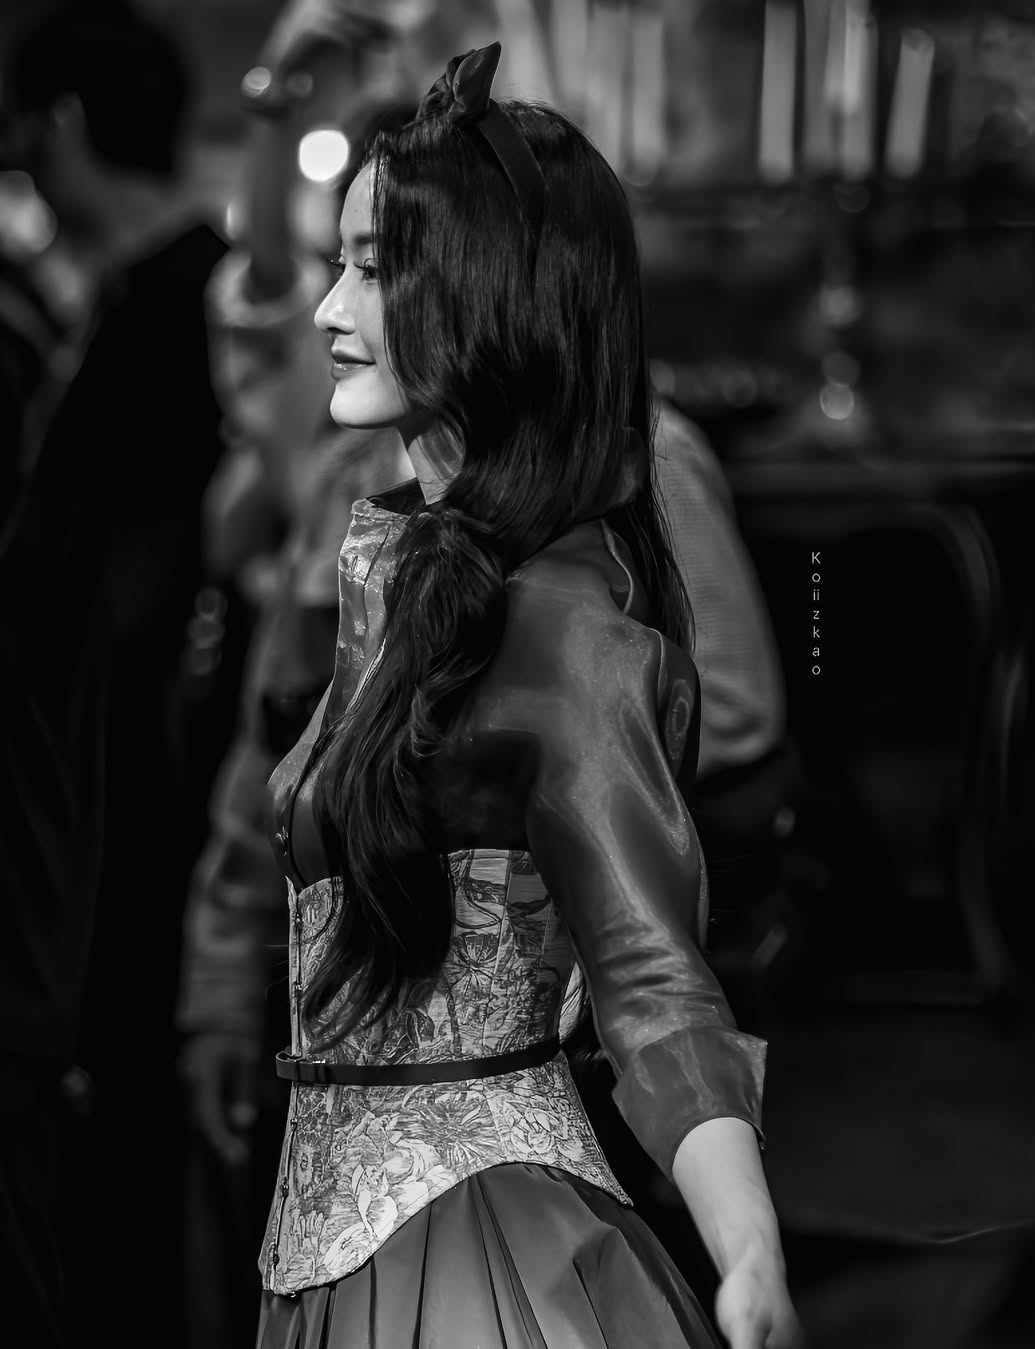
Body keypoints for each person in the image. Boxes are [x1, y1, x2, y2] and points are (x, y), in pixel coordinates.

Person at [243, 41, 800, 1348]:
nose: (329, 307)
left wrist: (749, 1244)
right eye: (340, 262)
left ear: (484, 295)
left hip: (483, 1250)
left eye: (373, 268)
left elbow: (652, 979)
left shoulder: (564, 628)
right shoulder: (397, 575)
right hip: (340, 1250)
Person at [0, 4, 230, 1342]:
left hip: (129, 826)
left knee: (122, 1192)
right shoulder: (147, 301)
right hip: (109, 817)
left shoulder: (180, 308)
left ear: (66, 123)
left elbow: (136, 606)